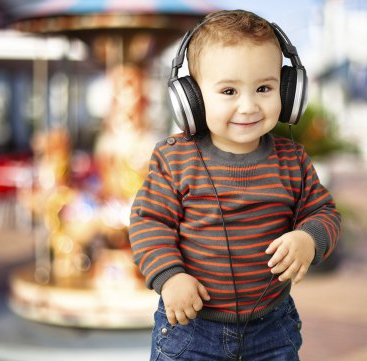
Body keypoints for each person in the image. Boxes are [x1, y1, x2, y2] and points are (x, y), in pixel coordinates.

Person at [129, 9, 341, 361]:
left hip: (273, 327)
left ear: (287, 91)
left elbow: (325, 213)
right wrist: (170, 277)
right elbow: (149, 221)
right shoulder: (175, 159)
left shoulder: (293, 161)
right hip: (192, 329)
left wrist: (309, 238)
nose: (248, 106)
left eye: (264, 88)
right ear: (191, 99)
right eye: (229, 90)